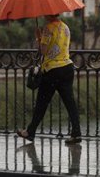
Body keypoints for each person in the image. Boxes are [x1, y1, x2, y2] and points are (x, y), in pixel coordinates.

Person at [17, 14, 82, 145]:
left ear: (48, 14)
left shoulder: (48, 29)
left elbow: (44, 51)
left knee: (41, 103)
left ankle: (30, 132)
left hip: (52, 70)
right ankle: (76, 133)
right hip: (67, 68)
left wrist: (39, 38)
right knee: (70, 103)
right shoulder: (66, 27)